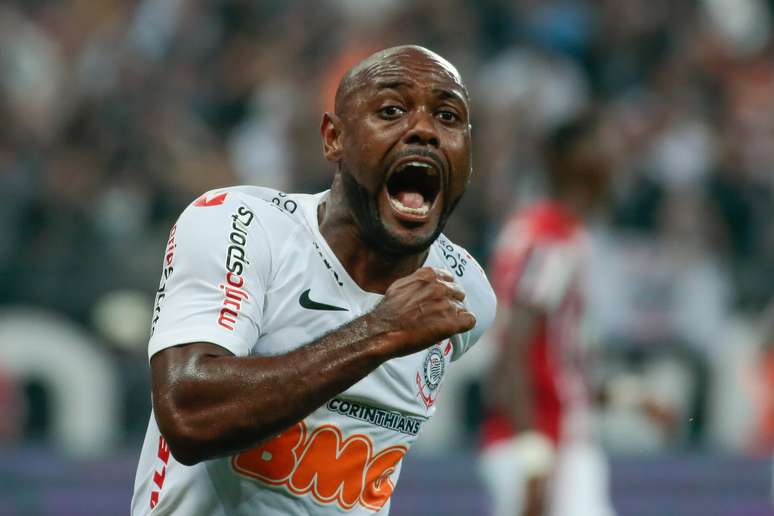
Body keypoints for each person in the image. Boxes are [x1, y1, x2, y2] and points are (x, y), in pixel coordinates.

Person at [130, 45, 496, 516]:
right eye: (391, 110)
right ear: (333, 139)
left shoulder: (468, 295)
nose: (424, 130)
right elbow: (188, 415)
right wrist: (380, 332)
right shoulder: (239, 226)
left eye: (448, 116)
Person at [478, 114, 616, 516]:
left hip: (557, 438)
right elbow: (512, 352)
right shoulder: (550, 238)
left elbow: (559, 361)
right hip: (544, 441)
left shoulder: (552, 232)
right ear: (578, 164)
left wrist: (631, 397)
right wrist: (533, 456)